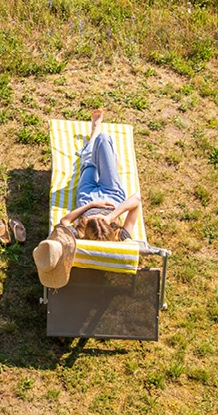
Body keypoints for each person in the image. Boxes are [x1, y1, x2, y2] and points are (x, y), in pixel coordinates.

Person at [33, 110, 143, 288]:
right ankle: (103, 147)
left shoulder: (80, 236)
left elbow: (64, 221)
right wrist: (110, 216)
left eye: (94, 220)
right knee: (104, 140)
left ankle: (95, 129)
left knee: (89, 162)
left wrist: (92, 205)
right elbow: (136, 200)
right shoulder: (120, 236)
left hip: (86, 199)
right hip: (113, 195)